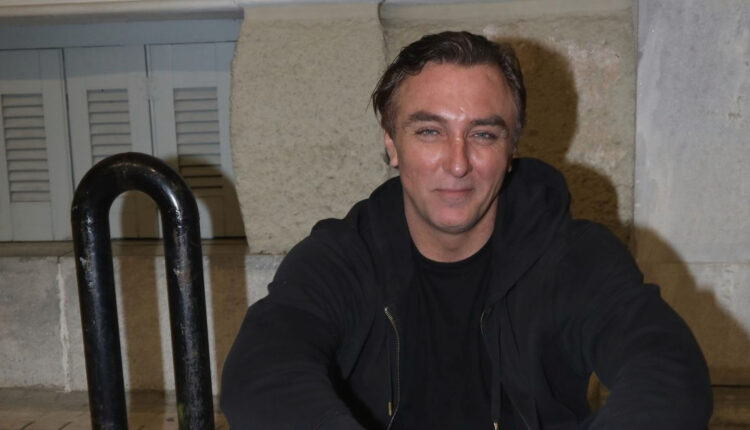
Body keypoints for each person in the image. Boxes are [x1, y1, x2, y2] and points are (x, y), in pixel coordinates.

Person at [221, 31, 711, 429]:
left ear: (511, 149)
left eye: (483, 134)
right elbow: (263, 371)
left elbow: (665, 368)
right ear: (391, 144)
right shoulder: (341, 258)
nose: (457, 164)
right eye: (429, 131)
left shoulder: (573, 256)